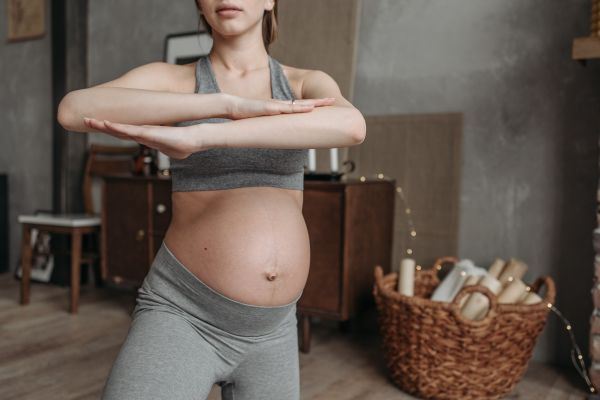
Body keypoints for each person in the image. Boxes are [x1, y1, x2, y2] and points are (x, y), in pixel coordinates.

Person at [57, 0, 366, 398]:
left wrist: (206, 134)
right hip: (185, 313)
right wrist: (224, 105)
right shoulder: (176, 80)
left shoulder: (304, 83)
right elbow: (73, 109)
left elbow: (351, 124)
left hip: (274, 330)